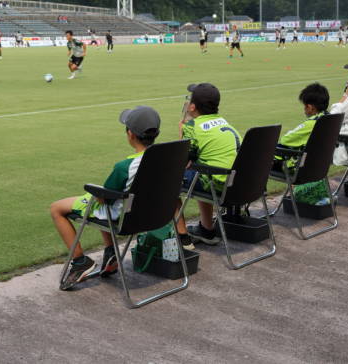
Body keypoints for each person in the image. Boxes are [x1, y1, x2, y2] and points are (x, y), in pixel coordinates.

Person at [50, 106, 161, 290]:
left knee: (57, 208)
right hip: (153, 213)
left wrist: (97, 193)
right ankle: (111, 253)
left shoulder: (125, 166)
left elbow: (105, 198)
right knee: (107, 202)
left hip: (125, 215)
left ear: (130, 134)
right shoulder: (166, 157)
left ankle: (80, 262)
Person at [175, 83, 241, 247]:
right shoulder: (225, 122)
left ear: (192, 107)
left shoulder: (192, 127)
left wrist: (181, 133)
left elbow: (182, 160)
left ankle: (182, 237)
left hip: (219, 186)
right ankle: (207, 230)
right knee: (203, 168)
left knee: (169, 178)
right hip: (239, 185)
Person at [272, 83, 330, 173]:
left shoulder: (311, 123)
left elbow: (285, 140)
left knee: (260, 158)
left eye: (305, 106)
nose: (304, 109)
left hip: (299, 169)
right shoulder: (329, 118)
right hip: (320, 167)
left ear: (310, 107)